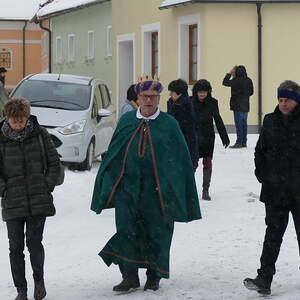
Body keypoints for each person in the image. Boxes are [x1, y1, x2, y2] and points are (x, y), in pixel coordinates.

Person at [91, 77, 201, 292]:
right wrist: (110, 182)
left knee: (157, 231)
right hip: (129, 190)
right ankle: (129, 276)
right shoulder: (127, 121)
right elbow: (114, 154)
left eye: (153, 97)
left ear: (159, 98)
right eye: (144, 96)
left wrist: (174, 185)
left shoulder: (169, 124)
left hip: (158, 191)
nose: (148, 100)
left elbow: (179, 159)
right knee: (126, 230)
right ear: (138, 98)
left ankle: (154, 275)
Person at [0, 98, 61, 300]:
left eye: (21, 121)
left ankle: (39, 281)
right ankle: (21, 290)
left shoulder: (40, 134)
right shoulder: (1, 138)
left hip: (38, 198)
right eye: (13, 121)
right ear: (7, 118)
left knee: (34, 243)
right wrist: (4, 189)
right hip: (12, 200)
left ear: (27, 118)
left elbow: (54, 162)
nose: (17, 125)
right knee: (15, 247)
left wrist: (47, 184)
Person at [244, 80, 300, 296]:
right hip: (275, 190)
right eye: (280, 99)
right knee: (273, 235)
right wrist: (263, 175)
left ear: (296, 100)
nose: (283, 104)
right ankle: (264, 278)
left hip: (298, 191)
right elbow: (260, 150)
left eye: (287, 100)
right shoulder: (270, 120)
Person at [192, 79, 230, 200]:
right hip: (194, 136)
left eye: (204, 92)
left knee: (207, 162)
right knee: (193, 163)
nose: (202, 94)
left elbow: (218, 119)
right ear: (196, 92)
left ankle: (205, 190)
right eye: (200, 92)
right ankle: (189, 188)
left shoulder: (213, 103)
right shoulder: (190, 102)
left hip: (208, 136)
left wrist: (224, 136)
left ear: (208, 92)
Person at [167, 78, 198, 170]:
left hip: (183, 147)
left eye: (172, 92)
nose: (170, 94)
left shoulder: (183, 106)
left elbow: (188, 131)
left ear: (179, 93)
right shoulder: (172, 103)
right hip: (175, 146)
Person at [222, 65, 253, 148]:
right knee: (244, 124)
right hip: (246, 105)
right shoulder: (249, 80)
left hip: (236, 105)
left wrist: (229, 73)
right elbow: (251, 92)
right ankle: (244, 142)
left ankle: (239, 142)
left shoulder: (235, 81)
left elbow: (224, 82)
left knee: (239, 124)